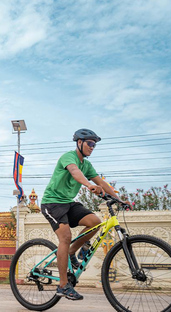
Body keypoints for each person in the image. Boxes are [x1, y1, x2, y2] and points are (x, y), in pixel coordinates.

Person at [40, 128, 130, 301]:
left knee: (95, 221)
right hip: (52, 203)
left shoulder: (87, 165)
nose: (92, 147)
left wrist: (119, 199)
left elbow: (101, 182)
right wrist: (88, 186)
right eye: (90, 143)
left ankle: (72, 252)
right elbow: (75, 172)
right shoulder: (69, 157)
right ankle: (63, 286)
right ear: (79, 143)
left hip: (68, 203)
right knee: (65, 237)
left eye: (94, 145)